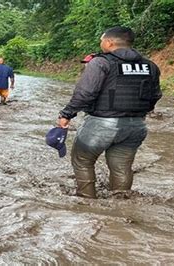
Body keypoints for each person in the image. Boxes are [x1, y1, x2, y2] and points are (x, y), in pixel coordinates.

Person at [57, 26, 162, 199]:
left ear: (109, 42)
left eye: (101, 40)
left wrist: (66, 114)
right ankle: (120, 205)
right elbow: (155, 95)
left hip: (102, 123)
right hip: (136, 126)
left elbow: (85, 93)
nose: (100, 43)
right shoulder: (150, 66)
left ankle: (87, 202)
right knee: (122, 167)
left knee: (82, 161)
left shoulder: (100, 62)